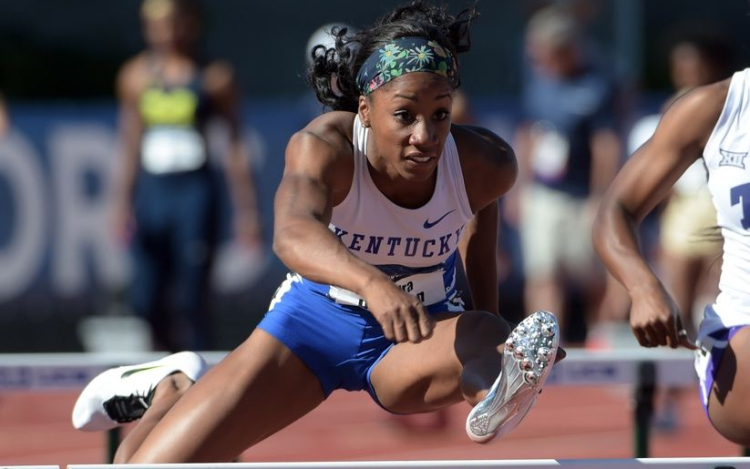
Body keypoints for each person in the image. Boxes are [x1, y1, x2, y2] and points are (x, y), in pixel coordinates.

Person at [71, 1, 564, 462]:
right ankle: (174, 387)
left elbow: (479, 216)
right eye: (404, 115)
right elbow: (291, 233)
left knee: (483, 332)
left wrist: (499, 327)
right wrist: (372, 283)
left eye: (440, 114)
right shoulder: (324, 147)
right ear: (365, 111)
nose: (425, 136)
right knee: (140, 465)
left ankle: (502, 381)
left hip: (416, 333)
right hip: (314, 325)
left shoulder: (485, 162)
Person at [592, 42, 750, 445]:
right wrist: (644, 288)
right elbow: (616, 209)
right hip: (742, 327)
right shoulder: (715, 108)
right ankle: (666, 401)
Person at [112, 0, 262, 352]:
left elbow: (235, 145)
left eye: (173, 23)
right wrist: (121, 203)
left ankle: (197, 376)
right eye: (156, 25)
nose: (165, 33)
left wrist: (248, 211)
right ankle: (161, 368)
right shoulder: (134, 77)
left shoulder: (215, 77)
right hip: (153, 192)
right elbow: (129, 144)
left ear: (190, 24)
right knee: (145, 300)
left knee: (191, 299)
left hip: (195, 193)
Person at [509, 4, 625, 343]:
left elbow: (606, 144)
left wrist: (599, 197)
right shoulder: (537, 81)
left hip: (581, 196)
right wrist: (520, 187)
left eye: (544, 51)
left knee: (592, 279)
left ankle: (602, 344)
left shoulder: (598, 85)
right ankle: (543, 350)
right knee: (543, 274)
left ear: (565, 47)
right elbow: (528, 133)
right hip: (543, 195)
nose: (538, 57)